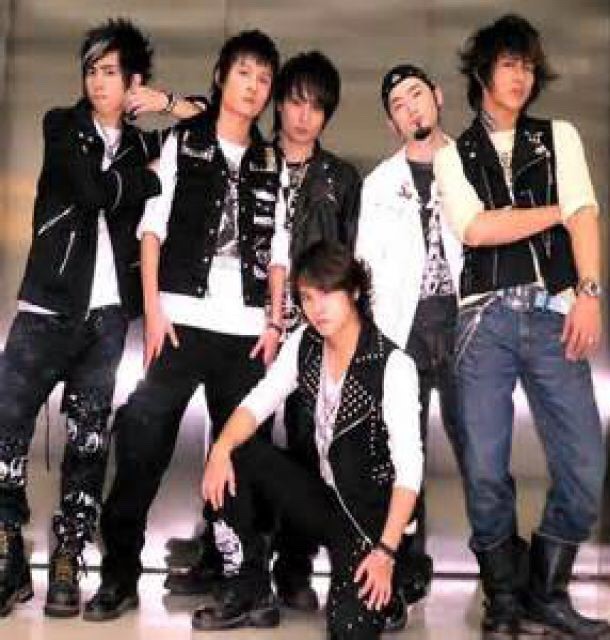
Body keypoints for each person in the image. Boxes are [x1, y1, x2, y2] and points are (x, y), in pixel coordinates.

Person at [0, 17, 202, 619]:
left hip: (106, 319)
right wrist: (146, 181)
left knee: (88, 442)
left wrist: (164, 103)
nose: (97, 81)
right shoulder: (63, 125)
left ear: (133, 80)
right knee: (5, 431)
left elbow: (208, 122)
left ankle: (68, 557)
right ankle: (8, 554)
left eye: (111, 71)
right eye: (91, 70)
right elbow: (90, 192)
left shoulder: (144, 142)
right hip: (46, 307)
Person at [83, 29, 285, 622]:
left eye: (264, 79)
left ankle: (244, 580)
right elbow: (153, 227)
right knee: (141, 444)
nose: (253, 86)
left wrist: (274, 323)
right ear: (222, 76)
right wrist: (153, 311)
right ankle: (119, 574)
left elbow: (280, 250)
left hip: (244, 331)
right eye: (244, 72)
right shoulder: (184, 142)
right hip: (177, 322)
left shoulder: (271, 160)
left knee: (240, 459)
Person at [434, 14, 610, 640]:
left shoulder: (558, 136)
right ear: (483, 72)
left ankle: (545, 592)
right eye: (509, 64)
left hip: (554, 314)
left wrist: (589, 293)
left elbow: (586, 216)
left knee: (585, 464)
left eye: (529, 66)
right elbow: (476, 229)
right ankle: (503, 597)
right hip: (482, 321)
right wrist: (555, 210)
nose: (521, 77)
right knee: (485, 468)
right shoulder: (452, 155)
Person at [164, 51, 362, 610]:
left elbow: (351, 259)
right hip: (252, 328)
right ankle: (221, 554)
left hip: (313, 335)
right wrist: (168, 102)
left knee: (305, 448)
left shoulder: (341, 179)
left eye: (316, 107)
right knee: (236, 438)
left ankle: (294, 567)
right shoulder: (252, 157)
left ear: (327, 115)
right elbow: (206, 118)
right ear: (278, 104)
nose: (303, 116)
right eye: (295, 102)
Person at [193, 241, 423, 639]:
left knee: (349, 629)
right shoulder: (306, 343)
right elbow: (259, 401)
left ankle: (391, 587)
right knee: (239, 452)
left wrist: (385, 552)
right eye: (307, 297)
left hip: (370, 521)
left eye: (328, 293)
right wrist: (220, 448)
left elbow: (409, 472)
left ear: (354, 292)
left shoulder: (393, 366)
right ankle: (249, 587)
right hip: (325, 500)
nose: (318, 308)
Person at [355, 63, 461, 628]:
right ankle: (404, 576)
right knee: (402, 458)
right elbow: (366, 269)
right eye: (398, 104)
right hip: (405, 336)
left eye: (416, 95)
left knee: (482, 454)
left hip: (468, 330)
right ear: (392, 123)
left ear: (437, 97)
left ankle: (504, 582)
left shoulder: (472, 163)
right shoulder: (378, 184)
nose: (411, 108)